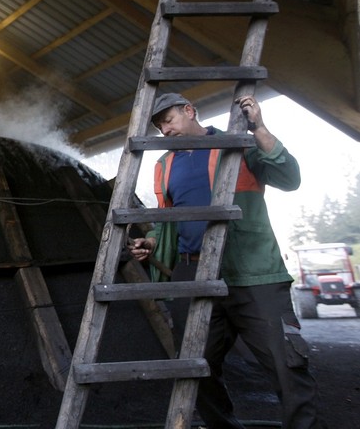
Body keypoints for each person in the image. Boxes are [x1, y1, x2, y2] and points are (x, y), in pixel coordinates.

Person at [128, 92, 325, 429]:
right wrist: (151, 240)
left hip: (251, 270)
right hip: (192, 272)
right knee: (193, 367)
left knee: (286, 364)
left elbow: (289, 178)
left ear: (189, 111)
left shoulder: (238, 143)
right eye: (160, 126)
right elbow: (166, 220)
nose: (165, 130)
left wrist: (259, 127)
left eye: (169, 120)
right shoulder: (164, 165)